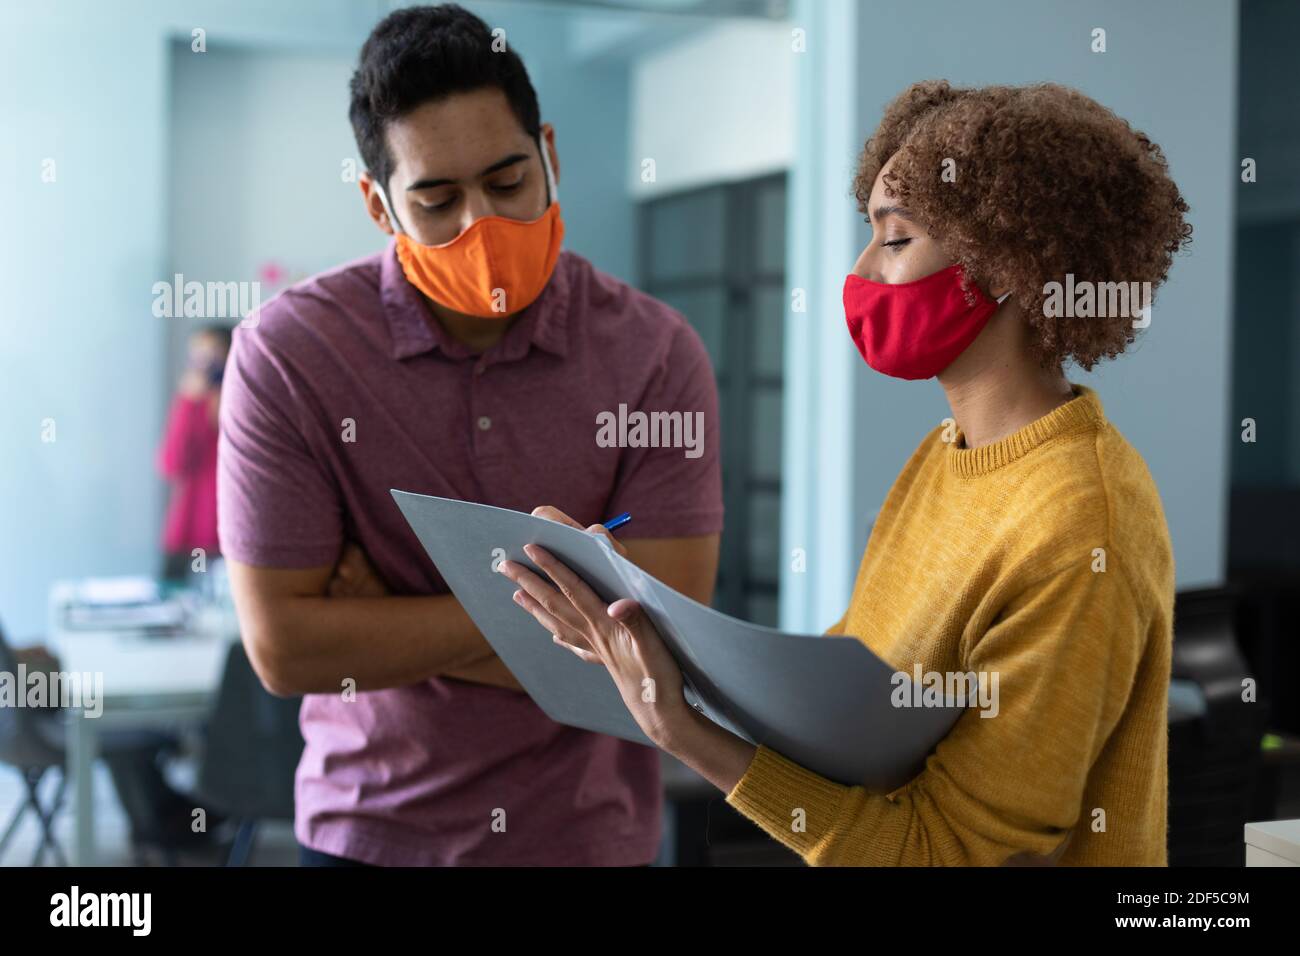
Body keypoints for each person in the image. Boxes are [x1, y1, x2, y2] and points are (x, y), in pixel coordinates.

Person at [498, 79, 1191, 866]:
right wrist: (636, 631)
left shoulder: (1080, 522)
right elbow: (849, 714)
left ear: (1009, 264)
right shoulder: (948, 454)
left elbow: (945, 851)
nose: (862, 269)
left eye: (894, 241)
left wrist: (682, 733)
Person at [217, 3, 722, 867]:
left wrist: (382, 619)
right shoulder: (289, 355)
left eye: (508, 180)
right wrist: (570, 615)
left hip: (589, 841)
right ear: (380, 206)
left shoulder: (654, 353)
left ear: (550, 157)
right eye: (438, 199)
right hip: (367, 834)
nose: (481, 225)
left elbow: (662, 647)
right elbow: (286, 650)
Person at [157, 325, 229, 582]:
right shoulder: (190, 405)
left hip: (228, 535)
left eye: (213, 356)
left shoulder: (245, 406)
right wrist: (188, 403)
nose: (205, 365)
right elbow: (171, 464)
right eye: (197, 356)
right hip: (187, 533)